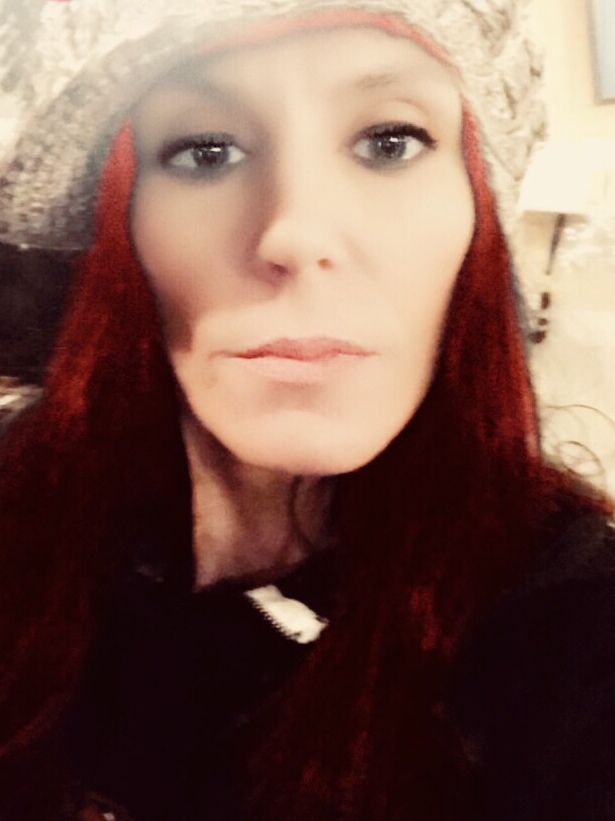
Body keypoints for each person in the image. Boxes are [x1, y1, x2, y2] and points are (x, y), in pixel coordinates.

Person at [0, 1, 614, 819]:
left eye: (388, 141)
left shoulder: (575, 634)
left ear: (477, 210)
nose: (293, 233)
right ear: (122, 224)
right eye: (206, 151)